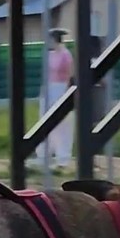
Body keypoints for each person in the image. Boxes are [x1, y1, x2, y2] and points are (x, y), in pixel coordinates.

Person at [33, 28, 75, 172]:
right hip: (49, 87)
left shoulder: (66, 55)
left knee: (61, 123)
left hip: (61, 87)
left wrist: (66, 92)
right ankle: (43, 154)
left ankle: (63, 156)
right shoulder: (49, 55)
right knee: (44, 119)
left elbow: (70, 75)